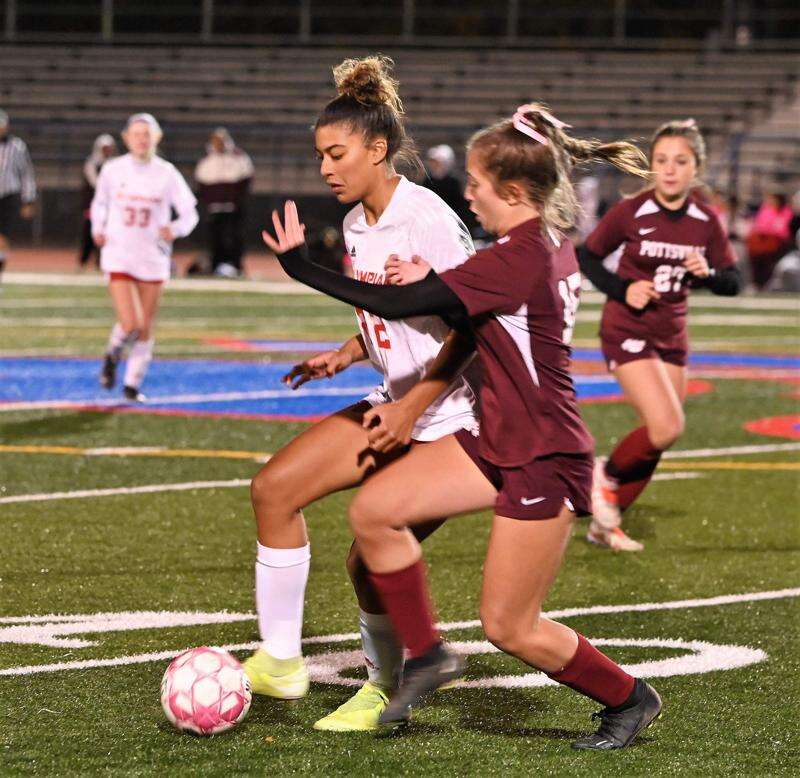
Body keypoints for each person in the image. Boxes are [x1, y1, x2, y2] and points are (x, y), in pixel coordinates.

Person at [264, 104, 663, 750]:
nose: (466, 194)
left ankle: (628, 696)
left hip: (543, 453)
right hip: (495, 436)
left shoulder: (517, 259)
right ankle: (426, 657)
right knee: (374, 515)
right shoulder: (532, 248)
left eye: (475, 184)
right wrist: (425, 289)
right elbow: (451, 304)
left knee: (510, 626)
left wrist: (300, 266)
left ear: (511, 191)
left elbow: (400, 304)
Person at [242, 56, 479, 733]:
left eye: (336, 153)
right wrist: (347, 352)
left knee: (369, 557)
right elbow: (389, 311)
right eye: (320, 155)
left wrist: (411, 408)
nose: (325, 168)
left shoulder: (428, 218)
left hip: (453, 419)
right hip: (393, 400)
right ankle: (283, 660)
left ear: (378, 150)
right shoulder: (353, 225)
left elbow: (472, 329)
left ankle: (383, 691)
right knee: (273, 490)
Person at [578, 119, 742, 551]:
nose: (669, 169)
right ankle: (605, 476)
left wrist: (707, 275)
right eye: (662, 160)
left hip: (672, 335)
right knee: (667, 425)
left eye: (680, 161)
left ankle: (604, 523)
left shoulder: (706, 220)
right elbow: (588, 256)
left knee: (658, 434)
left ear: (696, 168)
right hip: (627, 329)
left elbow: (732, 281)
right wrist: (622, 288)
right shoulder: (632, 210)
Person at [90, 113, 198, 402]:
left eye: (146, 134)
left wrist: (174, 229)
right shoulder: (112, 170)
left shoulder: (166, 172)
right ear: (126, 138)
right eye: (136, 134)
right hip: (119, 254)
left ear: (156, 138)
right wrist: (97, 228)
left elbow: (190, 212)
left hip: (152, 257)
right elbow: (99, 203)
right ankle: (113, 354)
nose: (141, 139)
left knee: (145, 326)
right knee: (130, 323)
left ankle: (132, 384)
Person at [194, 127, 253, 277]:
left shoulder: (239, 157)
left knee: (235, 238)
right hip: (214, 208)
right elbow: (201, 185)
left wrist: (236, 200)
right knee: (215, 239)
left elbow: (246, 180)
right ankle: (216, 266)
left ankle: (236, 267)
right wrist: (210, 202)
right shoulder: (206, 161)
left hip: (234, 207)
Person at [0, 109, 36, 280]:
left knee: (2, 236)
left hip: (9, 195)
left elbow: (26, 173)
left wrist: (28, 200)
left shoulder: (17, 146)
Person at [79, 134, 117, 269]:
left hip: (111, 205)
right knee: (89, 231)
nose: (107, 151)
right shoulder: (92, 163)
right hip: (93, 203)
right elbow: (95, 183)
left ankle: (101, 261)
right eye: (104, 148)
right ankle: (83, 261)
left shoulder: (114, 164)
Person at [746, 192, 794, 290]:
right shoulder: (766, 211)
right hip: (762, 244)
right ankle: (757, 282)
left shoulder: (787, 212)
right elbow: (758, 227)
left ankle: (765, 283)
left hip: (778, 244)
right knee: (756, 249)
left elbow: (783, 231)